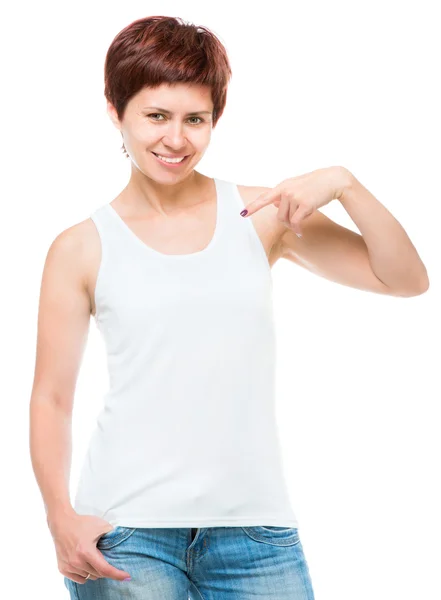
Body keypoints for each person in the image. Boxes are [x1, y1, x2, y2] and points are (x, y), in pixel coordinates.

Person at [29, 15, 429, 600]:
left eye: (196, 119)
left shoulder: (260, 216)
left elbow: (405, 279)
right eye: (156, 116)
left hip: (256, 533)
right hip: (126, 533)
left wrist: (345, 183)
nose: (176, 139)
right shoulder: (80, 246)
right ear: (116, 111)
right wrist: (59, 517)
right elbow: (51, 397)